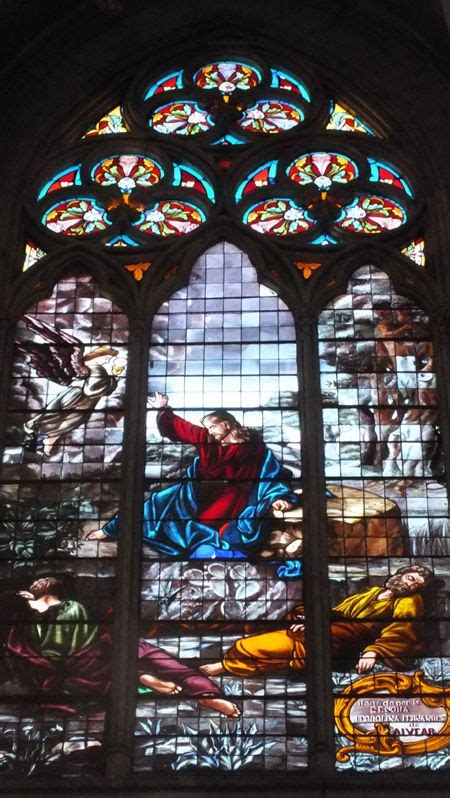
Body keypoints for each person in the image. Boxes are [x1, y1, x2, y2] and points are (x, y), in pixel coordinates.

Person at [87, 391, 299, 558]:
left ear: (226, 424)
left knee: (205, 529)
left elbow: (271, 472)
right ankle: (110, 530)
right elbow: (181, 427)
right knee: (156, 502)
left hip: (232, 497)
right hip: (193, 490)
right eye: (206, 428)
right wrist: (164, 409)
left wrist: (279, 497)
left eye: (212, 427)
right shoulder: (206, 438)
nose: (209, 432)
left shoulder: (255, 446)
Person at [6, 577, 240, 717]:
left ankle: (142, 678)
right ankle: (207, 693)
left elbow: (52, 652)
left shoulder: (43, 616)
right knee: (166, 663)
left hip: (88, 666)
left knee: (111, 681)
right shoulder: (72, 608)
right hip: (108, 649)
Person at [200, 565, 434, 678]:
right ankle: (231, 664)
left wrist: (374, 652)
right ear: (401, 573)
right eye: (410, 578)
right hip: (332, 631)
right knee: (264, 643)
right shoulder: (372, 591)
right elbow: (339, 613)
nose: (410, 585)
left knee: (259, 648)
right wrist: (312, 619)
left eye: (416, 585)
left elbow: (404, 632)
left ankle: (229, 665)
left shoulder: (410, 601)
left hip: (347, 641)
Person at [24, 347, 123, 456]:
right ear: (100, 355)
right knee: (60, 418)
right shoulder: (94, 367)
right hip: (78, 397)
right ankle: (38, 436)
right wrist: (112, 380)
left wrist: (112, 378)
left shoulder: (89, 366)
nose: (107, 361)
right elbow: (90, 390)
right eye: (107, 358)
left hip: (77, 398)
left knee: (62, 420)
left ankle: (43, 440)